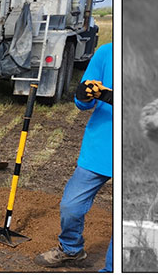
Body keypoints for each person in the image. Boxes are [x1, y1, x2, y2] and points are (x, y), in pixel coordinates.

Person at [35, 43, 113, 272]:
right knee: (71, 206)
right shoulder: (106, 52)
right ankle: (71, 248)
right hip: (100, 148)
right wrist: (84, 96)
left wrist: (109, 96)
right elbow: (83, 101)